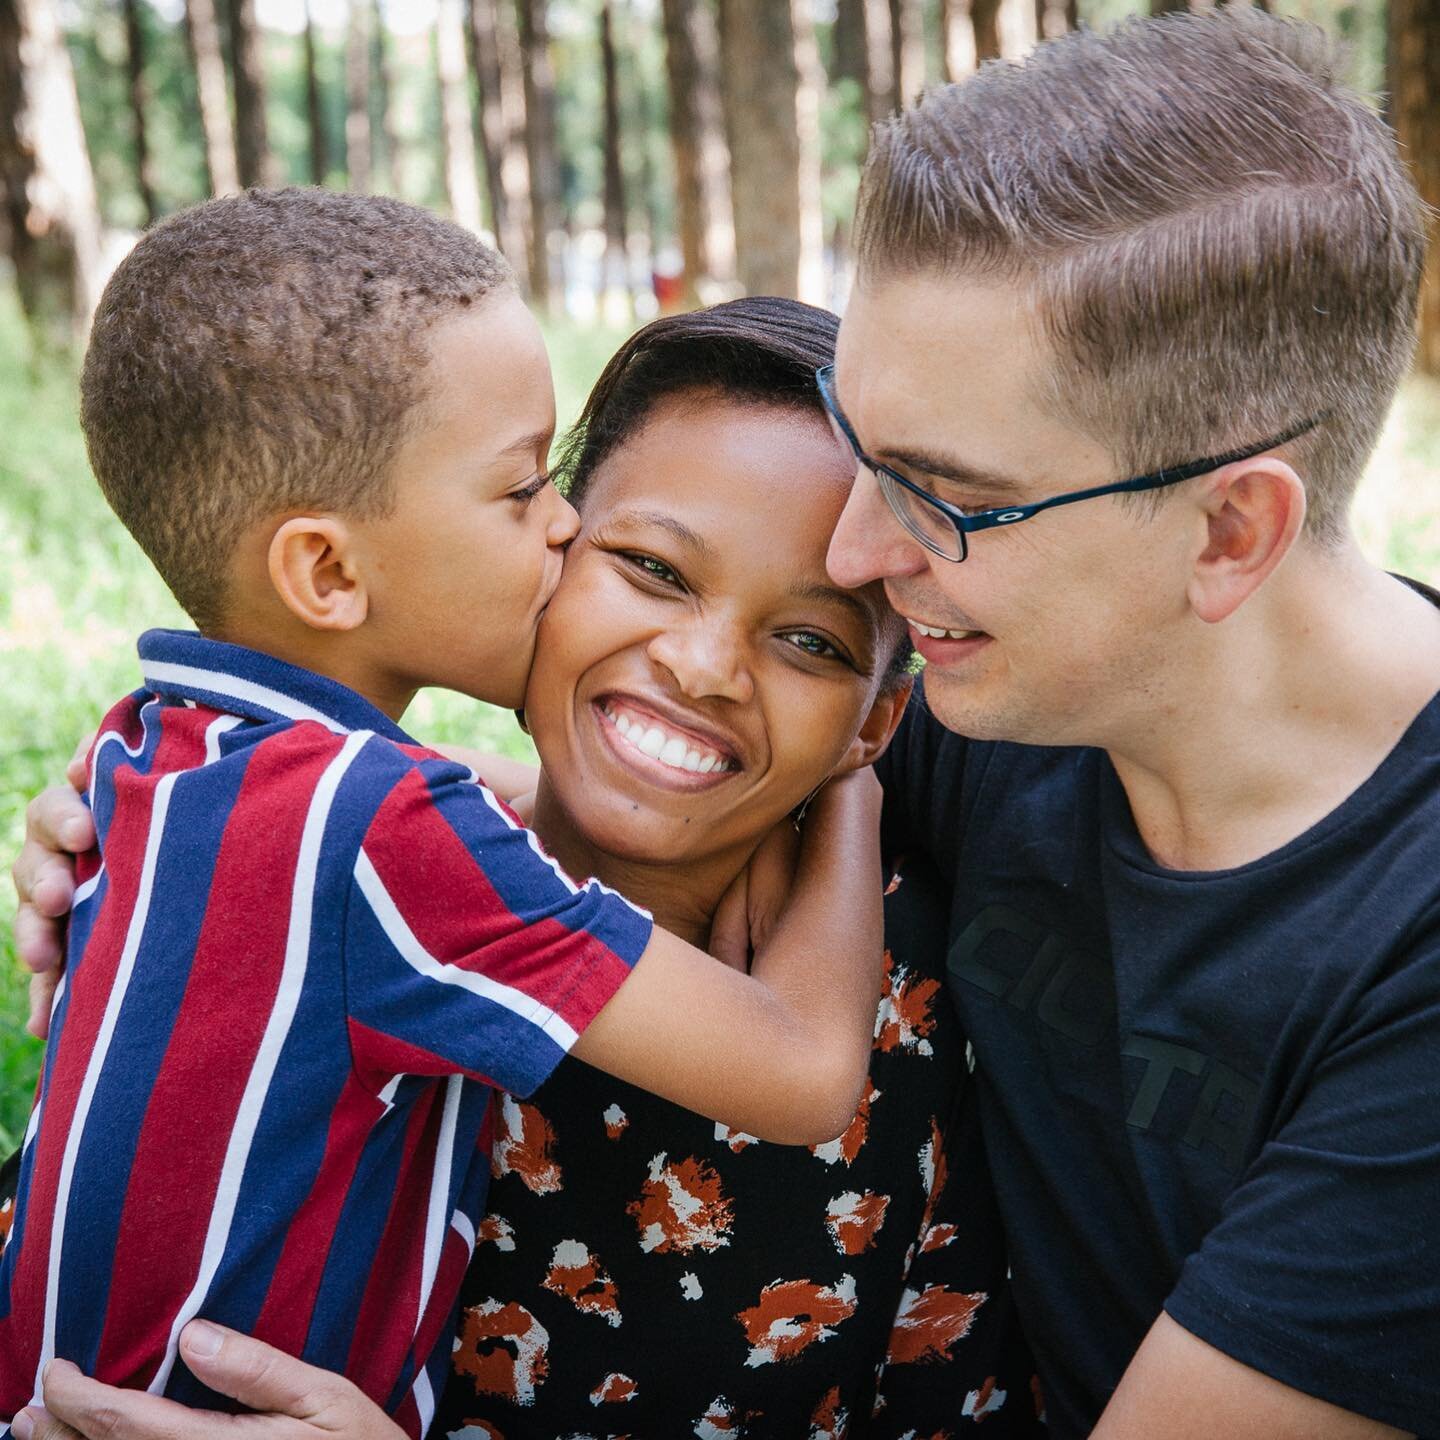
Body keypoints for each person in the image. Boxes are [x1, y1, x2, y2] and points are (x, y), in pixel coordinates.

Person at [18, 9, 1440, 1439]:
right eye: (863, 445)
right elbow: (641, 749)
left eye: (940, 493)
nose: (862, 548)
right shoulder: (1002, 654)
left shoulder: (1387, 947)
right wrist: (201, 866)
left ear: (1228, 530)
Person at [8, 295, 1042, 1439]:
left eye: (812, 642)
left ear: (876, 718)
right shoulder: (289, 881)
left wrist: (851, 795)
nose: (704, 669)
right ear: (542, 551)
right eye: (651, 567)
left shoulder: (915, 1016)